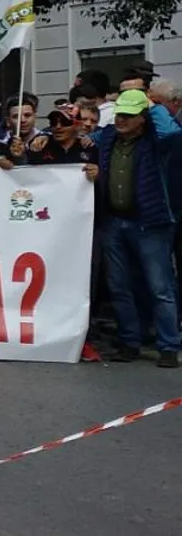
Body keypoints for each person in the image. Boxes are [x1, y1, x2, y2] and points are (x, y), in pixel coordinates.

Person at [93, 89, 178, 366]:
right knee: (119, 285)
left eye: (129, 115)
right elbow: (82, 140)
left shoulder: (156, 140)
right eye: (119, 114)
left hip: (150, 222)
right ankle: (130, 341)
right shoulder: (107, 138)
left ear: (142, 117)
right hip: (114, 221)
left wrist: (154, 105)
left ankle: (169, 345)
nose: (121, 119)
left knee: (160, 287)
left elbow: (171, 132)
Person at [24, 108, 98, 168]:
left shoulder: (89, 147)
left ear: (78, 125)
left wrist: (97, 174)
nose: (58, 126)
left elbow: (102, 177)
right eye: (54, 122)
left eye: (65, 122)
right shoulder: (40, 145)